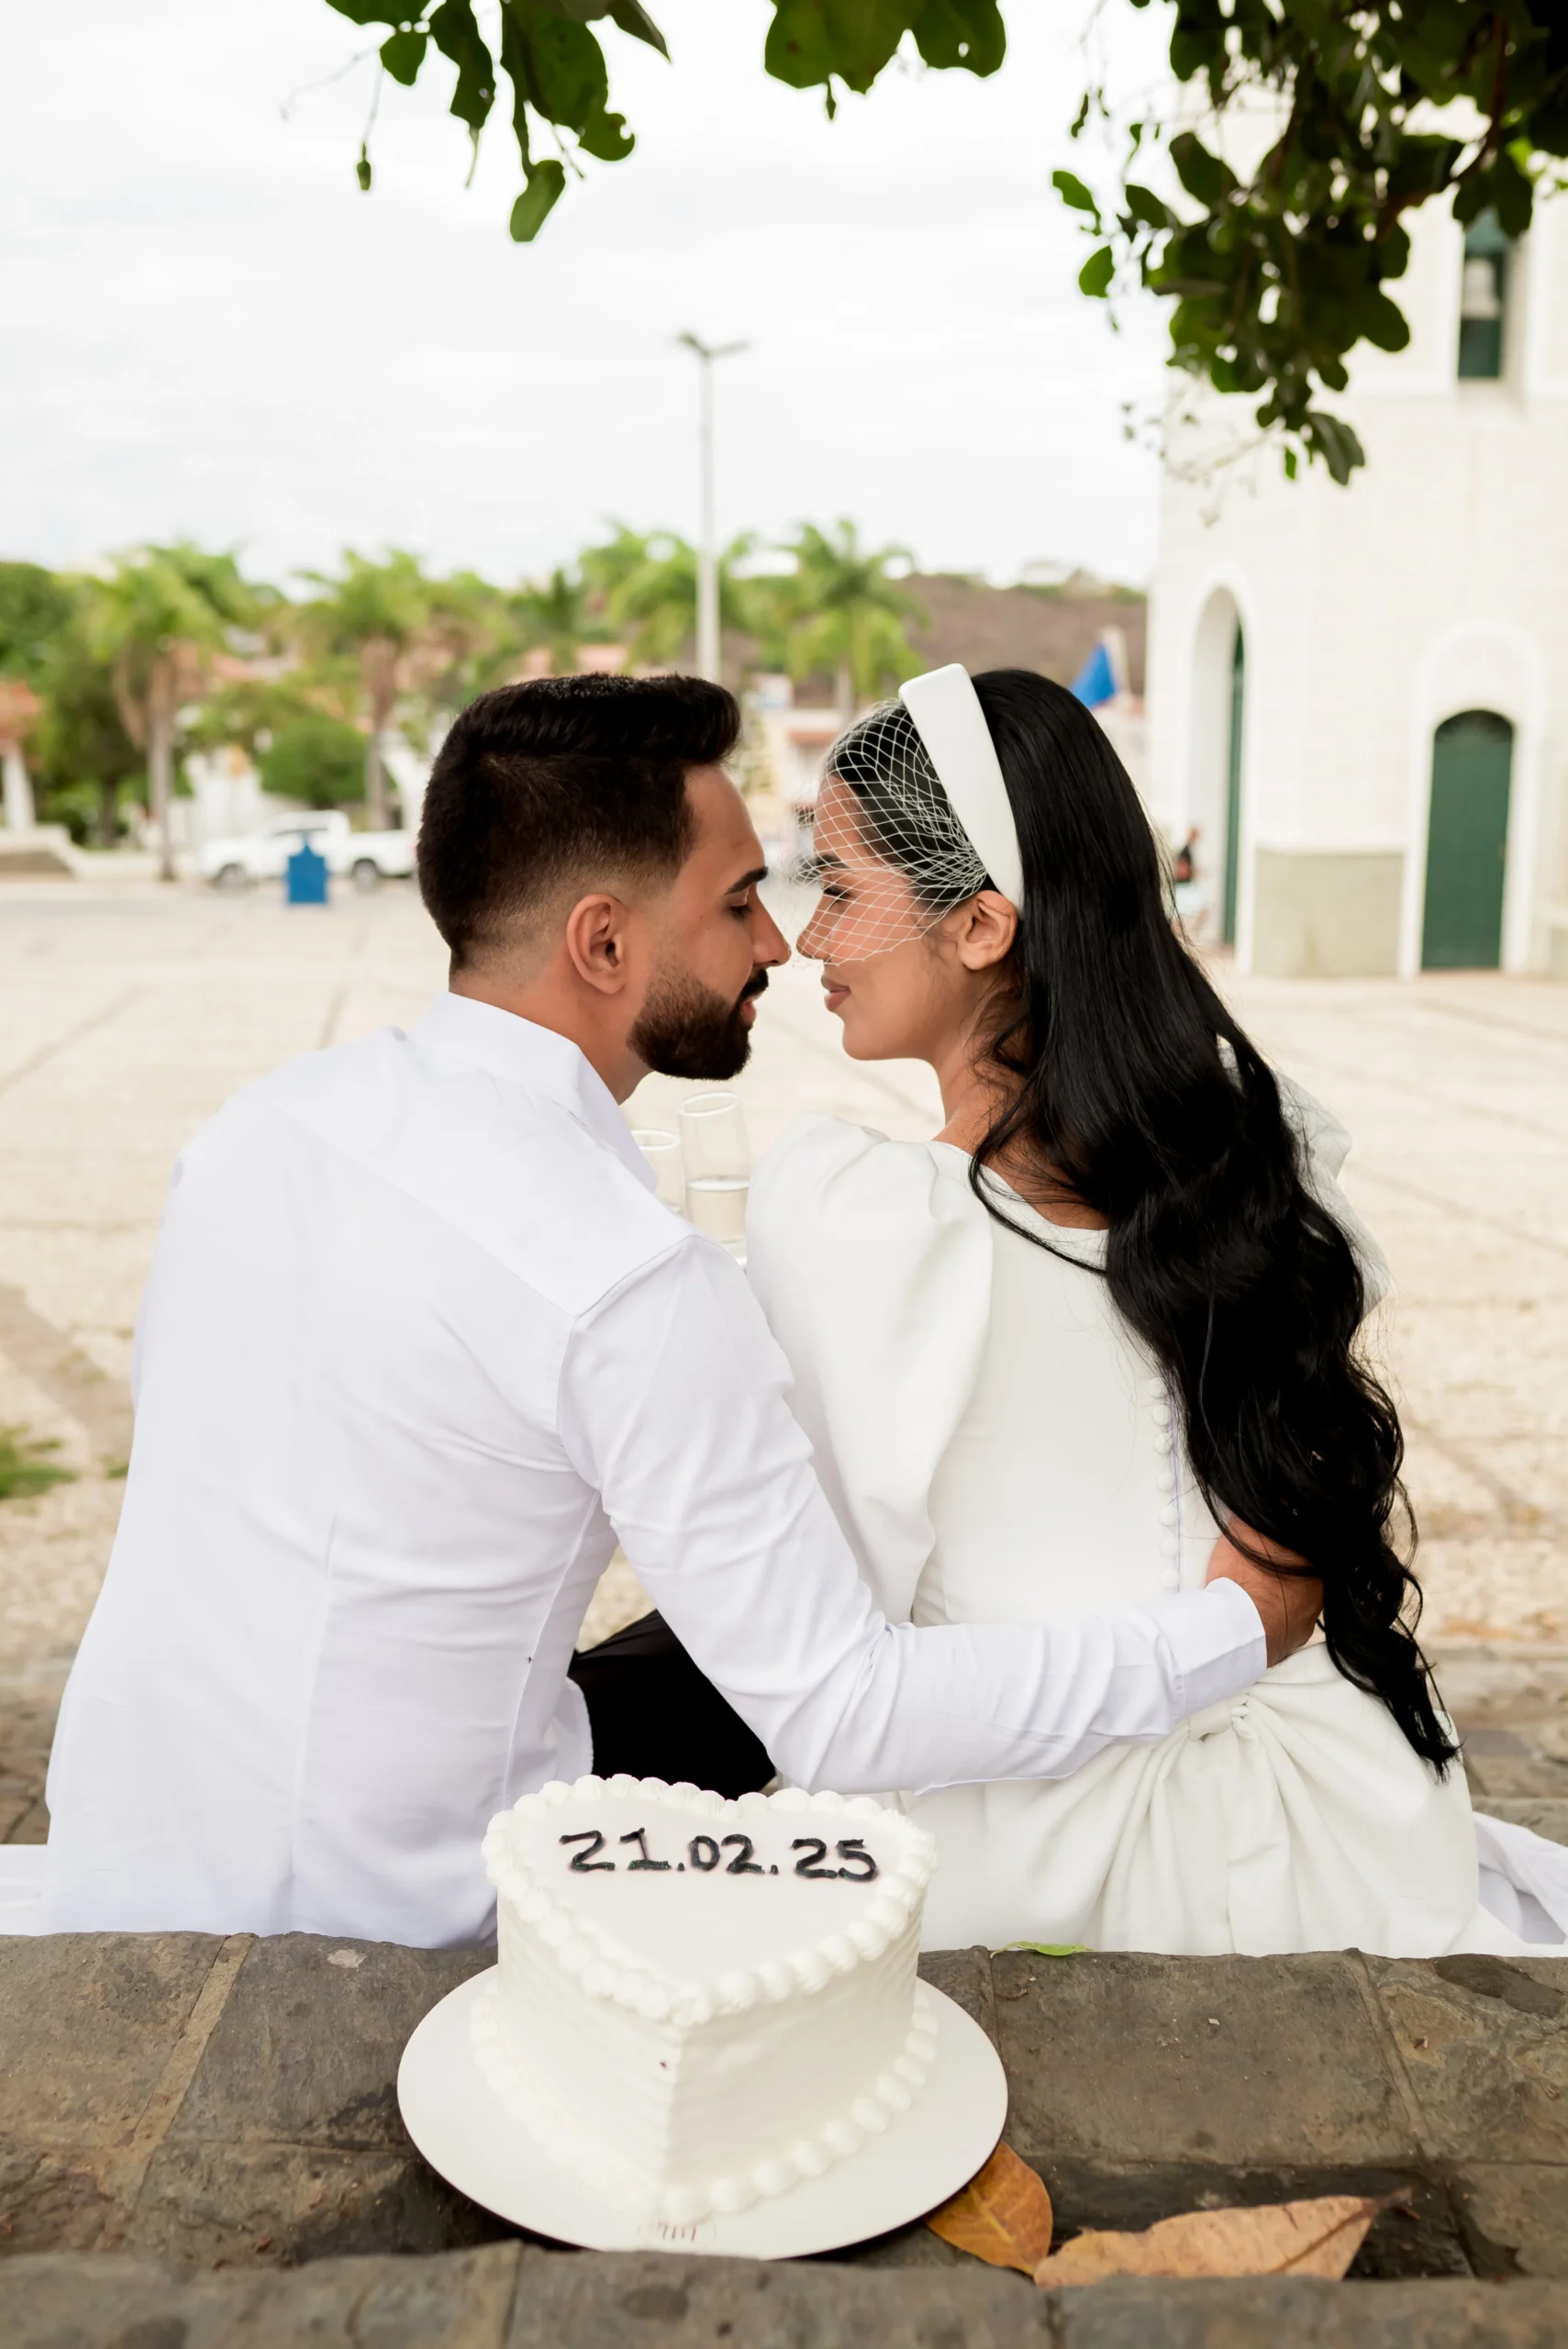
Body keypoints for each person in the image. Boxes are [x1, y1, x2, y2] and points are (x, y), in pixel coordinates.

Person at [39, 675, 1308, 1948]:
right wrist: (1228, 1630)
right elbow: (842, 1711)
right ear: (603, 944)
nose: (778, 944)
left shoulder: (259, 1127)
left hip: (118, 1852)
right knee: (760, 1690)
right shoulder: (626, 1279)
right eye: (740, 900)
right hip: (396, 1922)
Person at [747, 664, 1568, 1957]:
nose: (809, 941)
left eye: (841, 891)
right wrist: (1234, 1621)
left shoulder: (859, 1222)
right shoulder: (1235, 1166)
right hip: (1333, 1816)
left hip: (1007, 1833)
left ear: (981, 925)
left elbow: (824, 1612)